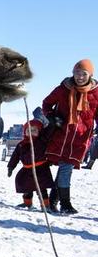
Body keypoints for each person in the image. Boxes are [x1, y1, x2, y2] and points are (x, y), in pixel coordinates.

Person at [42, 59, 98, 213]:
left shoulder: (96, 93)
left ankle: (52, 201)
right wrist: (52, 116)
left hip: (80, 138)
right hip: (61, 135)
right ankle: (65, 204)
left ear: (90, 75)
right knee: (65, 168)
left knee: (64, 168)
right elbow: (46, 104)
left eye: (83, 74)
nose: (79, 77)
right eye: (77, 73)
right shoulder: (63, 89)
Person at [7, 119, 54, 209]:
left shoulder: (41, 141)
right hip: (27, 170)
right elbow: (15, 157)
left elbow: (48, 132)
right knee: (26, 188)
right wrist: (10, 167)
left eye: (34, 130)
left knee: (41, 189)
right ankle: (27, 203)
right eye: (29, 130)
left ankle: (45, 205)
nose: (32, 132)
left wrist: (52, 124)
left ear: (39, 132)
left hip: (41, 170)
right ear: (25, 132)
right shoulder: (21, 145)